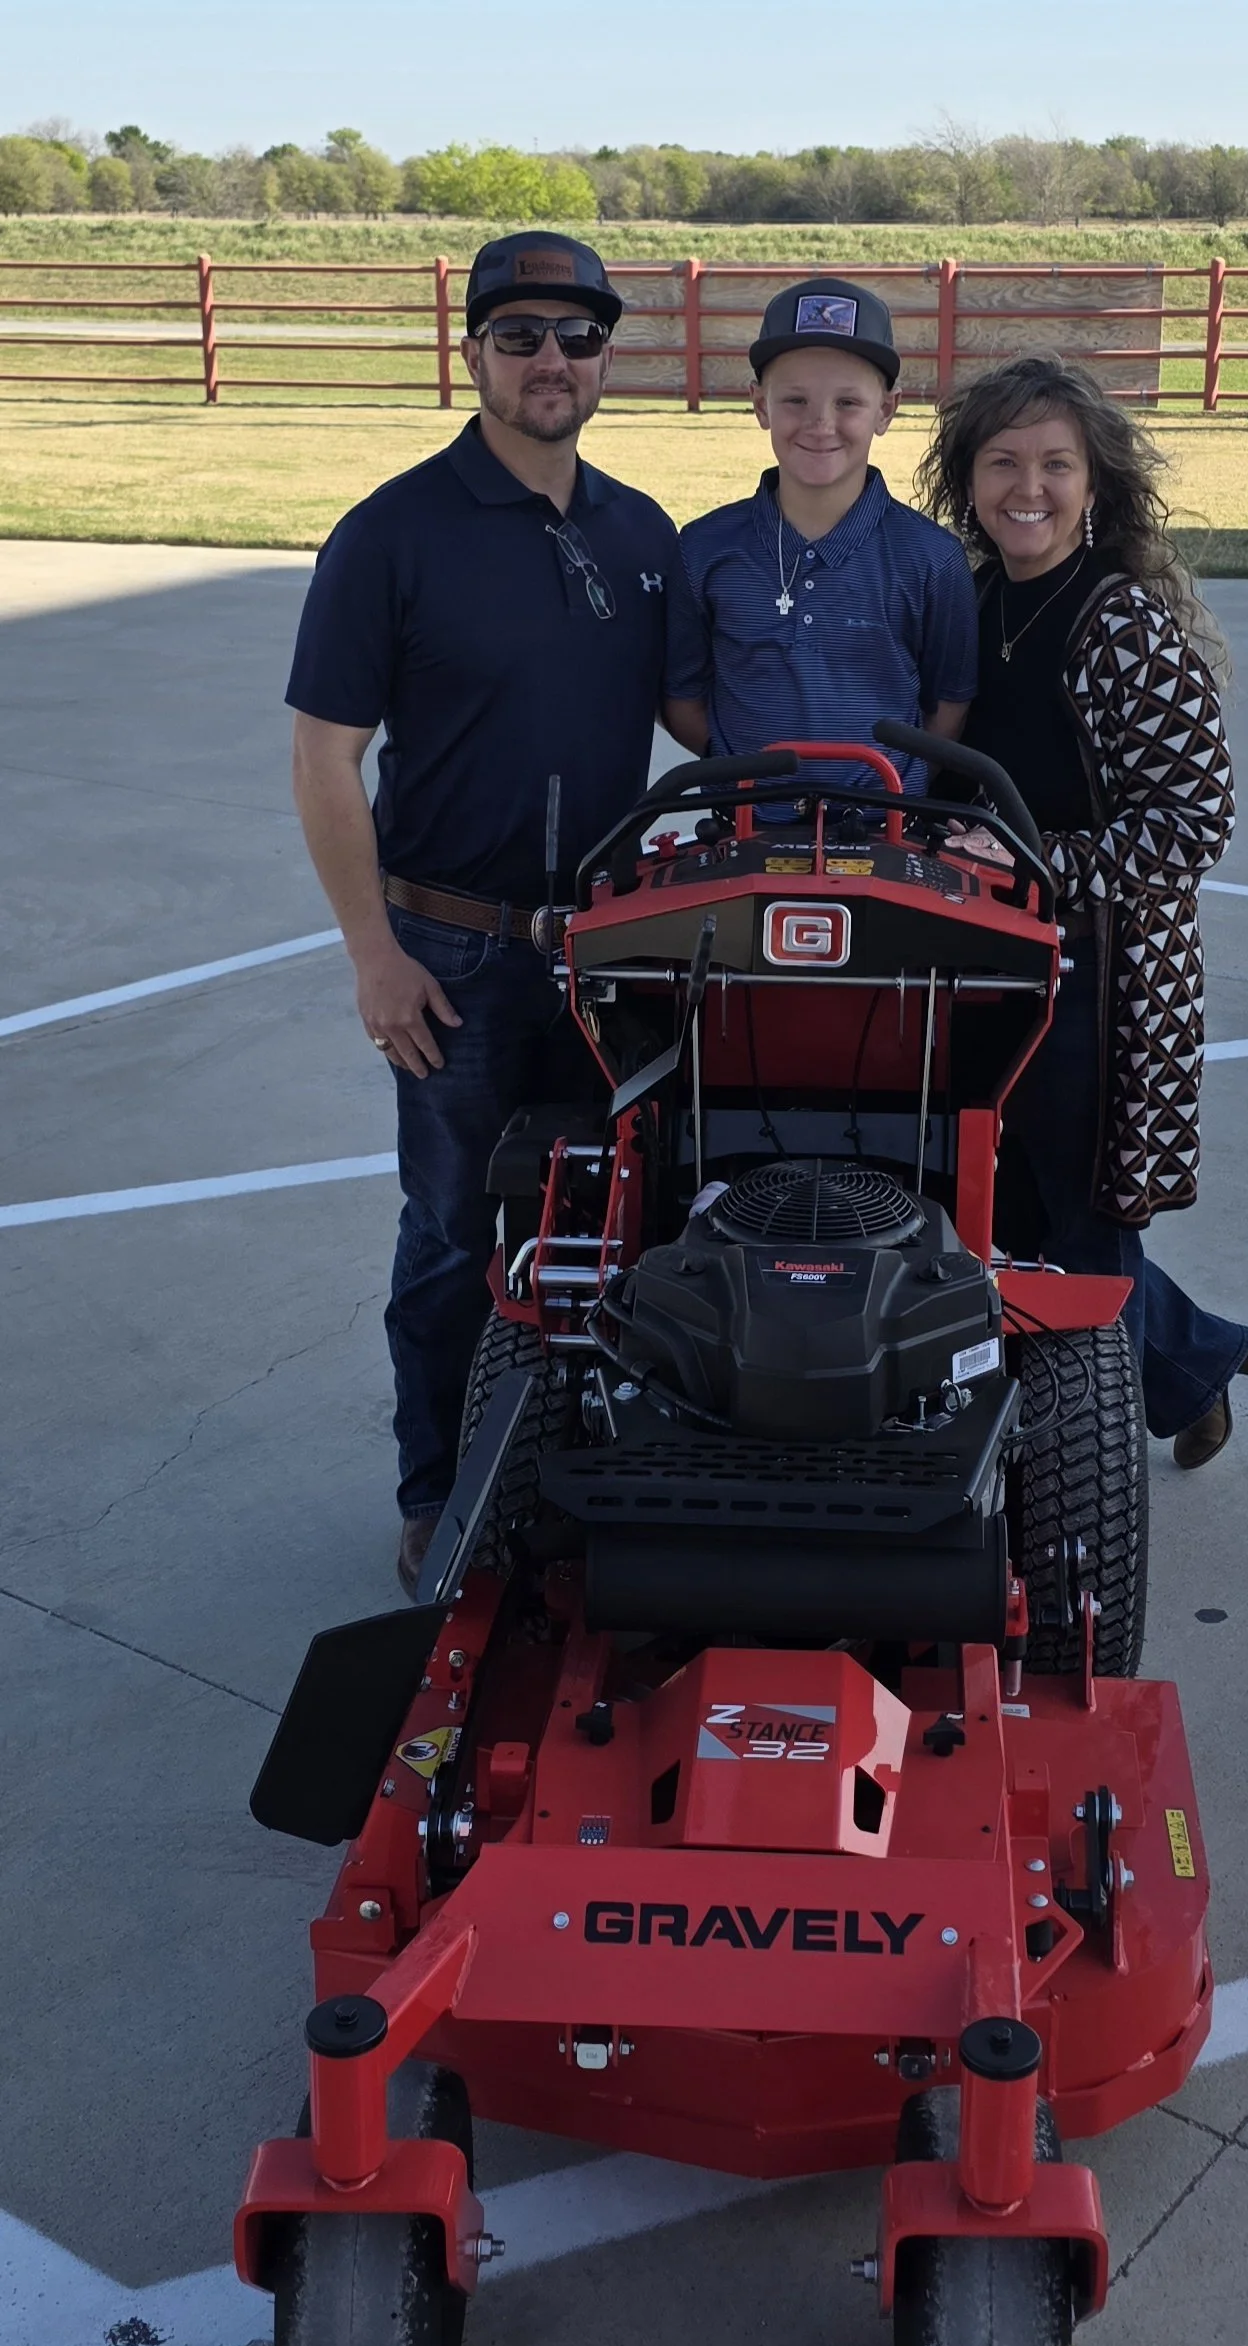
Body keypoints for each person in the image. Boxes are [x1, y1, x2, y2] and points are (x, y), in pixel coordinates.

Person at [285, 230, 710, 1593]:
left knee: (624, 1223)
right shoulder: (391, 535)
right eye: (519, 334)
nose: (550, 360)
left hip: (608, 945)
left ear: (606, 357)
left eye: (577, 337)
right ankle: (439, 1491)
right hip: (450, 950)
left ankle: (578, 1469)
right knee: (457, 1233)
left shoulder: (643, 535)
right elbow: (323, 757)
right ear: (471, 352)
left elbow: (705, 719)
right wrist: (374, 955)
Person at [917, 354, 1248, 1467]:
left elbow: (1192, 825)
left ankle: (1084, 1462)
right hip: (989, 962)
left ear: (1094, 484)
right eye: (1003, 461)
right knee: (1004, 1209)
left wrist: (1034, 862)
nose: (1030, 486)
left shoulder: (1120, 627)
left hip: (1101, 980)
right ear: (967, 481)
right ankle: (1193, 1355)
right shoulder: (970, 603)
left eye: (1055, 464)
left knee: (1082, 1225)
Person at [680, 279, 977, 800]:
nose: (820, 424)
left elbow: (948, 704)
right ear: (760, 404)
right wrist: (737, 780)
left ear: (886, 410)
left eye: (848, 402)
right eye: (795, 399)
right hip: (743, 833)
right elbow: (682, 698)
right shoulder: (703, 548)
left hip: (885, 832)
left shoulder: (932, 557)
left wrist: (892, 793)